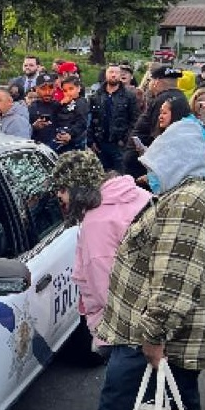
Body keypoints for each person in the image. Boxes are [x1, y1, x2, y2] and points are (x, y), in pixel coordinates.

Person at [50, 116, 205, 410]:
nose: (149, 175)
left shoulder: (187, 203)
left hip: (145, 332)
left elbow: (171, 280)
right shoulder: (169, 197)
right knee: (173, 408)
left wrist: (151, 339)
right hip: (172, 333)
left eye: (155, 167)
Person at [50, 150, 152, 361]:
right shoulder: (138, 195)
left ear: (77, 187)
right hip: (158, 319)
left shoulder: (96, 224)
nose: (58, 195)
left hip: (127, 335)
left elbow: (106, 291)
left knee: (118, 394)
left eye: (62, 188)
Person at [89, 63, 139, 174]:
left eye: (116, 73)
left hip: (119, 144)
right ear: (106, 74)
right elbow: (91, 119)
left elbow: (135, 120)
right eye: (111, 72)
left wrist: (125, 140)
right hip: (100, 144)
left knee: (120, 177)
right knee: (101, 177)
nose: (114, 75)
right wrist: (91, 141)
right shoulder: (96, 95)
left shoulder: (129, 96)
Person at [51, 75, 90, 154]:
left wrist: (70, 134)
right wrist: (60, 104)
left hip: (75, 141)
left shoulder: (81, 102)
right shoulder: (62, 103)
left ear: (78, 88)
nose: (68, 92)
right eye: (65, 90)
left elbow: (82, 123)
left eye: (71, 89)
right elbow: (54, 117)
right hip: (60, 137)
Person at [27, 73, 62, 148]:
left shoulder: (60, 106)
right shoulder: (30, 108)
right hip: (37, 149)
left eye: (50, 88)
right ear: (36, 89)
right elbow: (23, 134)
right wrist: (34, 127)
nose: (47, 92)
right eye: (43, 88)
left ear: (55, 88)